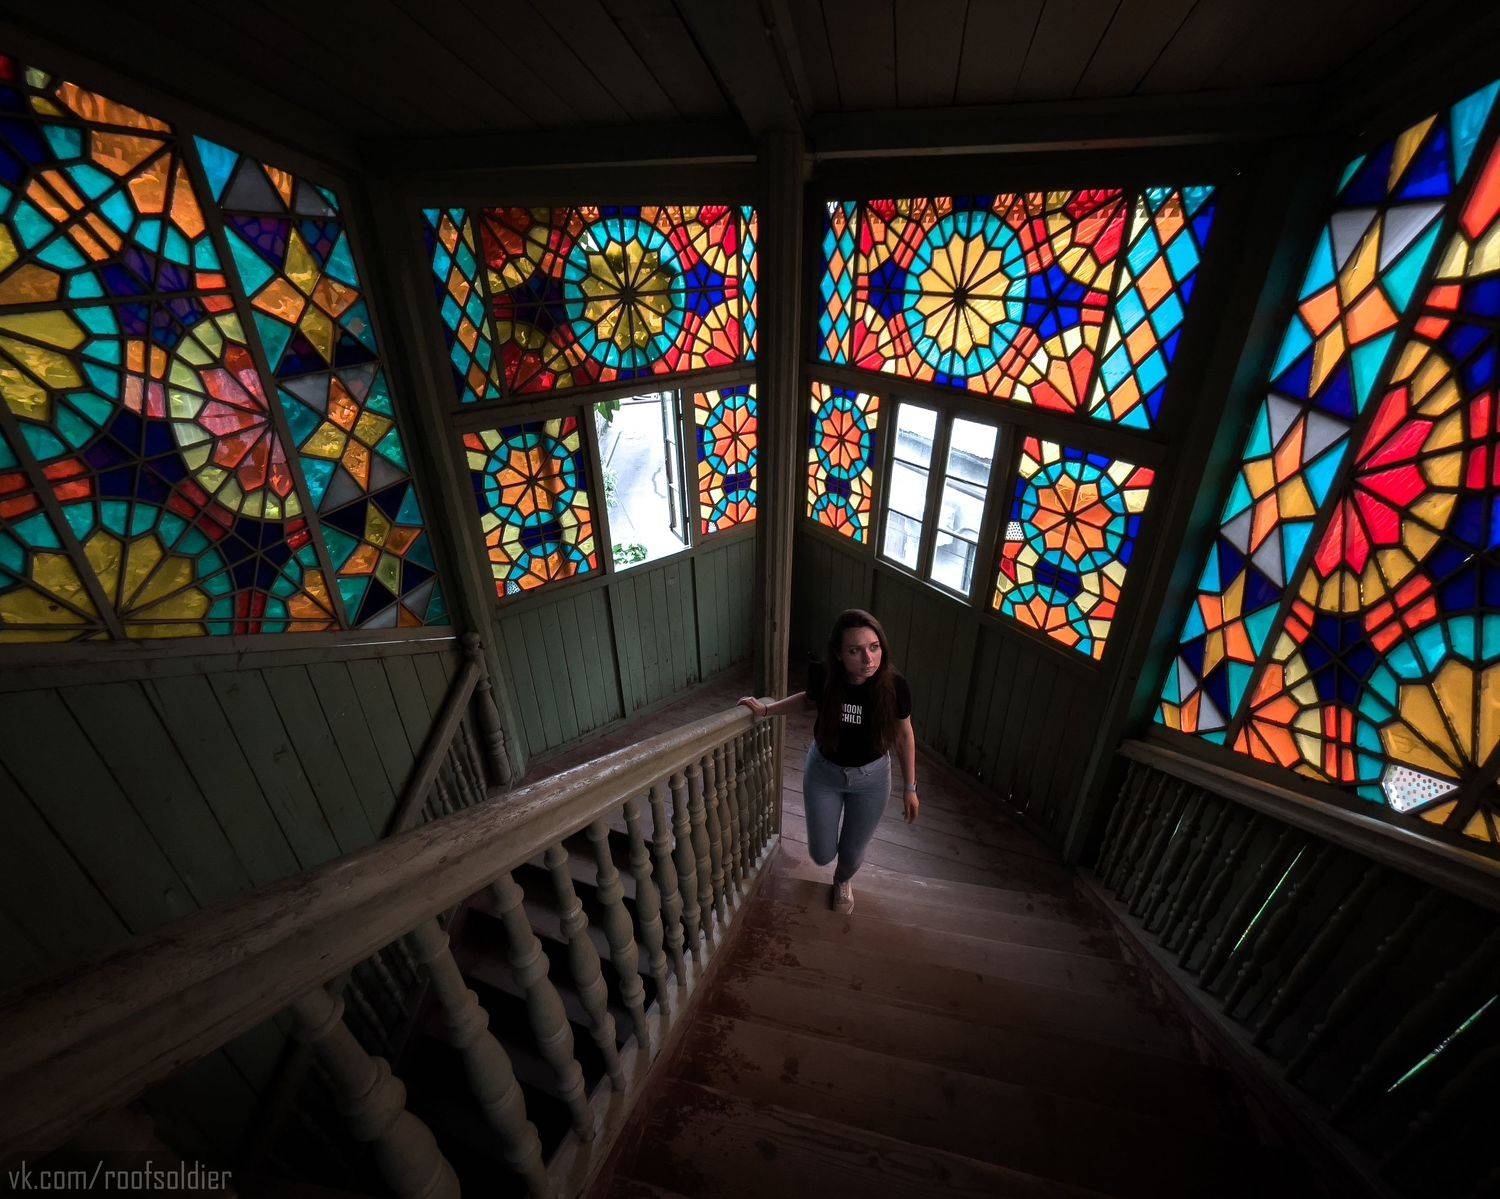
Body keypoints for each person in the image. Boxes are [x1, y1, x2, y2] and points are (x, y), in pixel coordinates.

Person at [739, 609, 918, 914]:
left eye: (874, 647)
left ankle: (842, 880)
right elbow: (807, 701)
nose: (868, 659)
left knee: (851, 852)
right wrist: (766, 710)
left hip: (872, 779)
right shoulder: (824, 675)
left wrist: (910, 788)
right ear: (838, 654)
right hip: (824, 773)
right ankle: (834, 866)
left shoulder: (895, 685)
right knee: (821, 854)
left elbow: (904, 734)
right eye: (855, 651)